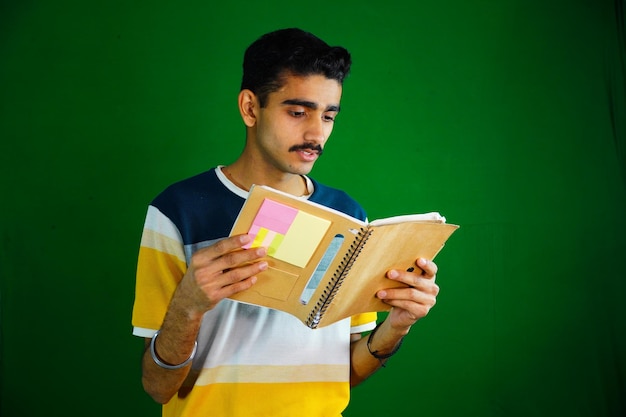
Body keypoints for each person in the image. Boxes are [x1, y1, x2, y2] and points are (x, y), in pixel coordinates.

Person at [131, 28, 440, 417]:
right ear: (249, 108)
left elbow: (343, 371)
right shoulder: (177, 211)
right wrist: (188, 306)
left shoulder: (349, 216)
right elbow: (157, 387)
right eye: (297, 112)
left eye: (328, 116)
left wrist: (397, 325)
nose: (316, 134)